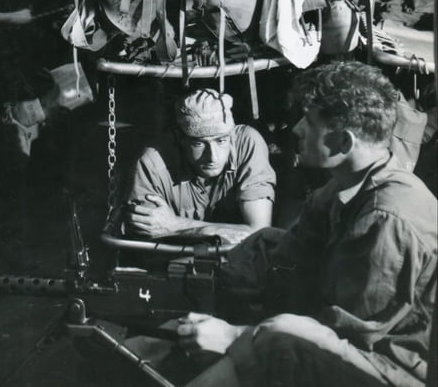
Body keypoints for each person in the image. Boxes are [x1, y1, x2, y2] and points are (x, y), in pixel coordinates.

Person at [176, 61, 436, 387]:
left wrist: (234, 336)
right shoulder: (340, 188)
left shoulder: (385, 218)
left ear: (343, 143)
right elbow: (290, 256)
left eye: (310, 122)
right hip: (359, 352)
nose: (296, 128)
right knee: (263, 246)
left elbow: (351, 337)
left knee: (280, 337)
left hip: (399, 370)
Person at [124, 89, 275, 246]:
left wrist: (175, 225)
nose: (213, 157)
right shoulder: (153, 161)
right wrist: (222, 232)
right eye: (199, 143)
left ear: (231, 135)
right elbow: (146, 235)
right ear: (179, 137)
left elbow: (260, 234)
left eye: (221, 141)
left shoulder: (247, 143)